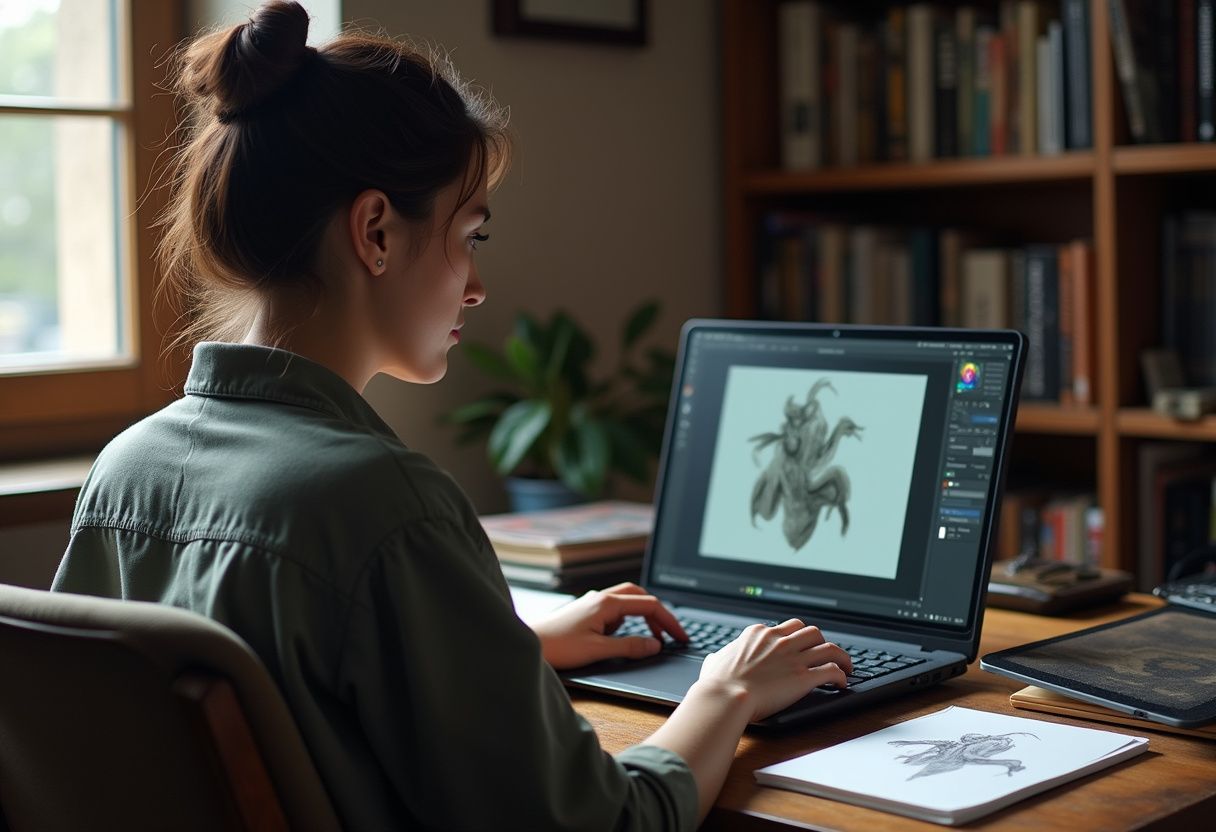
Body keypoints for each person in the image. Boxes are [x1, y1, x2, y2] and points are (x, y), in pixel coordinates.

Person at [51, 3, 851, 829]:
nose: (474, 285)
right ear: (375, 233)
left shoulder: (124, 471)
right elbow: (603, 823)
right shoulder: (383, 504)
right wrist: (728, 690)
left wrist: (510, 651)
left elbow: (283, 699)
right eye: (470, 235)